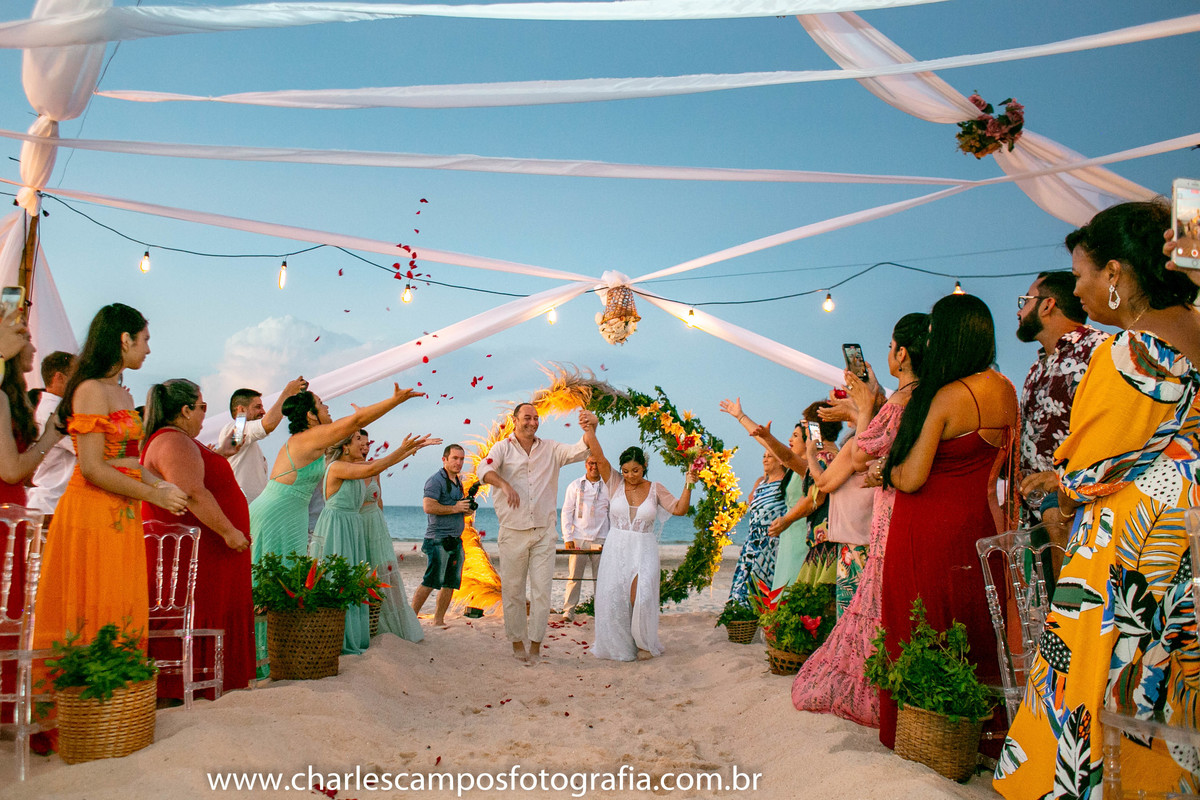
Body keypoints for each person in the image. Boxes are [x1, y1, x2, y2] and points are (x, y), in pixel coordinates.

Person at [996, 200, 1200, 797]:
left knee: (1104, 674)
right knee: (1168, 678)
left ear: (1115, 272)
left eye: (1084, 273)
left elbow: (1088, 470)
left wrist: (1060, 490)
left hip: (1128, 540)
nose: (1079, 288)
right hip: (1184, 535)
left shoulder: (1127, 353)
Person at [877, 293, 1017, 752]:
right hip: (980, 524)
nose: (931, 340)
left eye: (936, 331)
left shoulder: (948, 396)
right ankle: (983, 733)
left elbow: (912, 477)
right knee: (975, 625)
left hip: (929, 529)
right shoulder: (1006, 389)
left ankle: (926, 732)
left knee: (923, 622)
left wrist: (887, 470)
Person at [32, 304, 189, 659]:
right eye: (145, 340)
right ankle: (91, 699)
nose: (148, 349)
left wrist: (161, 485)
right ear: (124, 339)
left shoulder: (121, 393)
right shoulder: (90, 390)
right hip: (91, 509)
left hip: (122, 509)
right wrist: (153, 494)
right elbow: (92, 467)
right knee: (95, 600)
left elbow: (128, 460)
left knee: (120, 599)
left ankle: (118, 700)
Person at [792, 312, 926, 727]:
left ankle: (873, 688)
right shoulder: (919, 401)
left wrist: (865, 408)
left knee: (867, 614)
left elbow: (867, 450)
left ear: (902, 354)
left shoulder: (900, 405)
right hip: (888, 519)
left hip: (876, 527)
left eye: (890, 347)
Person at [249, 383, 424, 673]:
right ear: (310, 415)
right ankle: (259, 660)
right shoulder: (310, 437)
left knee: (282, 586)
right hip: (277, 512)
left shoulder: (312, 439)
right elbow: (355, 423)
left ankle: (273, 656)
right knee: (270, 585)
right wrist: (394, 400)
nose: (327, 407)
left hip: (290, 513)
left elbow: (359, 442)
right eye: (321, 404)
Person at [140, 379, 254, 699]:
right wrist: (229, 532)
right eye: (202, 407)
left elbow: (233, 444)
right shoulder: (173, 442)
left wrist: (242, 420)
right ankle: (187, 685)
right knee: (203, 611)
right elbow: (192, 492)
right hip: (201, 552)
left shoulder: (185, 441)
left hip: (209, 551)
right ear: (185, 409)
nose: (205, 414)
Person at [475, 403, 602, 664]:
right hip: (512, 532)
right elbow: (483, 470)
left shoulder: (551, 449)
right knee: (513, 591)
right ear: (514, 420)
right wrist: (503, 483)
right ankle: (517, 642)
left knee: (542, 591)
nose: (532, 422)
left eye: (536, 418)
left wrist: (592, 427)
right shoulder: (502, 448)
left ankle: (535, 644)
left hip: (544, 533)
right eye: (527, 418)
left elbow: (583, 449)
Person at [311, 429, 438, 653]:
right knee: (335, 578)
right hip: (337, 525)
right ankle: (333, 636)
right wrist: (402, 449)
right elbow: (373, 467)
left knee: (353, 580)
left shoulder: (357, 467)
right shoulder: (337, 467)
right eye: (357, 439)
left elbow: (378, 465)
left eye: (365, 440)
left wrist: (410, 450)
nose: (364, 444)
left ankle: (353, 633)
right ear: (345, 447)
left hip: (353, 526)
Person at [1015, 271, 1107, 559]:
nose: (1019, 310)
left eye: (1025, 300)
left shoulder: (1098, 349)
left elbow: (1109, 430)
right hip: (1037, 521)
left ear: (1047, 305)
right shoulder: (1037, 367)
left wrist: (1063, 479)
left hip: (1078, 515)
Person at [0, 329, 66, 727]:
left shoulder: (14, 398)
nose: (33, 343)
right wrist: (49, 438)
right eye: (23, 334)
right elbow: (12, 469)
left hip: (14, 514)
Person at [590, 446, 694, 662]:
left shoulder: (655, 488)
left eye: (635, 471)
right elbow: (599, 458)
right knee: (614, 597)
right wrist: (590, 428)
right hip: (616, 547)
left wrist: (689, 484)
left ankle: (643, 643)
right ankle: (622, 643)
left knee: (641, 596)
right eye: (626, 471)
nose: (630, 476)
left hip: (643, 548)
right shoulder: (615, 484)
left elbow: (680, 509)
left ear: (644, 467)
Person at [720, 399, 809, 591]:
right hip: (781, 536)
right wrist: (740, 416)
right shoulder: (792, 467)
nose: (790, 440)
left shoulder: (805, 467)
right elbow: (763, 440)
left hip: (797, 534)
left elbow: (773, 446)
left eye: (795, 436)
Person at [357, 431, 425, 643]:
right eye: (360, 442)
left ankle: (391, 623)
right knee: (362, 574)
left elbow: (380, 500)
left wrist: (383, 527)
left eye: (368, 443)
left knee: (385, 573)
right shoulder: (346, 469)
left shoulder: (374, 469)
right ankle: (366, 624)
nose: (365, 447)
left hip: (376, 524)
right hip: (358, 524)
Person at [217, 379, 307, 503]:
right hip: (241, 510)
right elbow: (267, 425)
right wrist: (287, 393)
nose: (263, 412)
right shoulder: (233, 429)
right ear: (241, 410)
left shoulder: (247, 440)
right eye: (258, 407)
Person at [413, 443, 470, 628]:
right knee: (431, 581)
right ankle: (411, 618)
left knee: (450, 583)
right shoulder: (435, 480)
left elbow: (457, 508)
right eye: (455, 458)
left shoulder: (458, 482)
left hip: (455, 539)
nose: (459, 462)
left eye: (462, 459)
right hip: (437, 539)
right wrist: (455, 508)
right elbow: (428, 507)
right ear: (444, 459)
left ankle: (438, 619)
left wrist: (465, 509)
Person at [726, 448, 787, 605]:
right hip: (752, 541)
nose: (765, 460)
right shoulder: (760, 482)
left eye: (770, 456)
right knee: (743, 590)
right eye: (763, 456)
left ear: (780, 460)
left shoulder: (785, 481)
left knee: (765, 592)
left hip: (772, 542)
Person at [27, 350, 76, 526]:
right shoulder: (53, 413)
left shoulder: (57, 410)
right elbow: (83, 448)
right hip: (51, 505)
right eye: (75, 376)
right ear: (59, 377)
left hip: (54, 503)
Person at [560, 456, 609, 621]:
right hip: (579, 538)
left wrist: (611, 539)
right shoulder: (575, 485)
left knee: (601, 579)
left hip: (601, 539)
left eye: (596, 463)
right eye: (591, 463)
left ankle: (601, 613)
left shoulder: (608, 487)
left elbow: (612, 513)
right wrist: (568, 537)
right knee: (574, 577)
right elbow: (567, 511)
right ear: (585, 464)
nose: (594, 467)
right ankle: (568, 611)